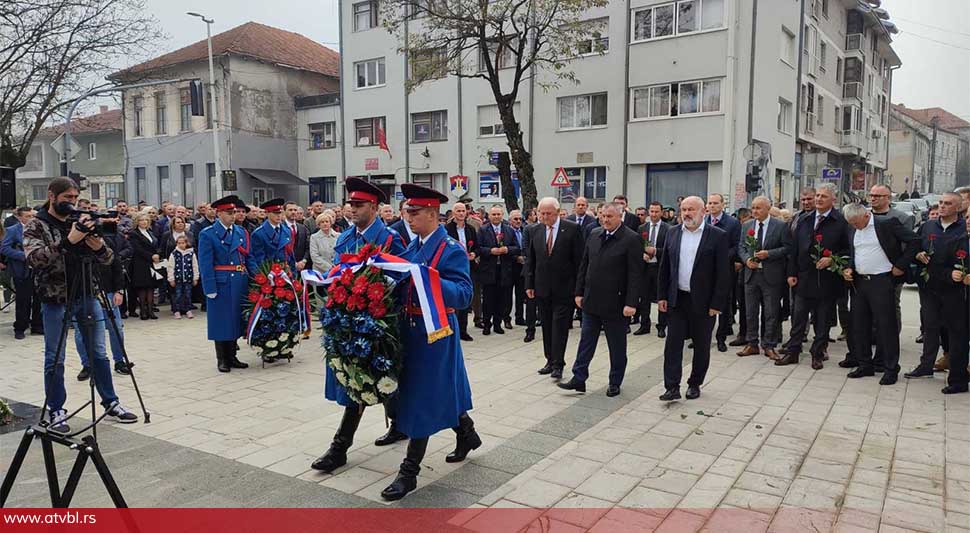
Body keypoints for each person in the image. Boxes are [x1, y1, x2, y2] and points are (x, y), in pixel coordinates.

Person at [380, 183, 480, 501]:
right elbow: (401, 278)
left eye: (414, 212)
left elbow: (464, 294)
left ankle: (409, 473)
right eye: (407, 211)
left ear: (433, 214)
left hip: (436, 333)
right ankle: (467, 433)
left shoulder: (450, 248)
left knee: (423, 398)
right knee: (435, 392)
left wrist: (431, 279)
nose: (408, 217)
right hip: (410, 329)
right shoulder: (415, 244)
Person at [23, 177, 138, 432]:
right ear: (52, 196)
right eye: (67, 198)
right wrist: (68, 241)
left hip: (87, 294)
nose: (72, 203)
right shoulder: (36, 224)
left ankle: (111, 402)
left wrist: (98, 247)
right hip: (55, 298)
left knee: (98, 352)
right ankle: (56, 409)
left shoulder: (80, 221)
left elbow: (109, 259)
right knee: (55, 356)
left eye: (75, 198)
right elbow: (34, 259)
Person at [311, 178, 407, 475]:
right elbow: (340, 274)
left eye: (358, 205)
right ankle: (400, 425)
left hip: (379, 323)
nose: (351, 209)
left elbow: (403, 279)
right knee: (361, 381)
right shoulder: (344, 239)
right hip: (349, 321)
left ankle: (339, 448)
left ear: (375, 207)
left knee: (367, 381)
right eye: (350, 204)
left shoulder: (390, 239)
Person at [558, 202, 642, 397]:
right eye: (603, 216)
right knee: (586, 342)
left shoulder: (631, 239)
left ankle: (615, 381)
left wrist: (631, 303)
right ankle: (578, 378)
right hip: (591, 301)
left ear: (620, 216)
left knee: (617, 346)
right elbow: (584, 265)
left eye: (610, 216)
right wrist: (579, 292)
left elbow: (636, 274)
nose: (605, 220)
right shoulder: (594, 234)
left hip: (616, 304)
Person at [657, 196, 731, 401]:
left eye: (691, 209)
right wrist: (662, 295)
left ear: (703, 212)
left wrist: (717, 304)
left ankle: (694, 383)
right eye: (684, 209)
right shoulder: (672, 233)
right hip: (677, 298)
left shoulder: (717, 236)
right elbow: (664, 268)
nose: (687, 213)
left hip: (704, 301)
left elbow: (723, 274)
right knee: (672, 344)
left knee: (701, 344)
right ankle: (671, 386)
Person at [841, 203, 919, 385]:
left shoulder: (886, 224)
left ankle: (890, 368)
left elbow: (915, 240)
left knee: (886, 326)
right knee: (859, 325)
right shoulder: (853, 229)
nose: (854, 226)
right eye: (850, 223)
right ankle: (864, 364)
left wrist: (901, 265)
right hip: (860, 282)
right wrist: (848, 268)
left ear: (866, 216)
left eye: (856, 222)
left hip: (882, 281)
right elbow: (854, 253)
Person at [779, 183, 850, 369]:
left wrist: (832, 260)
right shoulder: (804, 220)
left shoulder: (841, 222)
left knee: (822, 319)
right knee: (798, 317)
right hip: (803, 277)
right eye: (817, 195)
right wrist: (791, 273)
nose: (818, 199)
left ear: (833, 200)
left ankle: (817, 353)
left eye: (823, 197)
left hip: (827, 280)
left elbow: (848, 250)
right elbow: (794, 249)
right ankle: (793, 351)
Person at [904, 192, 968, 383]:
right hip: (929, 286)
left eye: (947, 203)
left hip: (953, 288)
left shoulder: (963, 229)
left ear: (958, 207)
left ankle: (957, 369)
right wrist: (919, 254)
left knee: (954, 330)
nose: (942, 206)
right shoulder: (928, 226)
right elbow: (914, 246)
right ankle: (926, 365)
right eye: (940, 203)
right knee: (930, 326)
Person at [525, 198, 584, 379]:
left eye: (548, 214)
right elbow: (531, 260)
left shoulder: (572, 229)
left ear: (557, 212)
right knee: (546, 326)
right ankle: (549, 360)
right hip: (542, 288)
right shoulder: (534, 230)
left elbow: (579, 261)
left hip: (565, 289)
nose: (544, 217)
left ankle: (559, 363)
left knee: (559, 326)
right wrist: (529, 284)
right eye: (541, 213)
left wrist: (578, 289)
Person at [197, 195, 251, 373]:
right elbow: (205, 263)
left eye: (234, 212)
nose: (232, 216)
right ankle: (222, 358)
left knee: (235, 319)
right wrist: (209, 287)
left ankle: (232, 355)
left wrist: (254, 279)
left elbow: (247, 258)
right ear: (219, 213)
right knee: (221, 320)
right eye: (229, 212)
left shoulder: (240, 232)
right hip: (221, 281)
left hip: (239, 280)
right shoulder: (208, 234)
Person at [736, 197, 791, 360]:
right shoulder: (747, 225)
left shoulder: (780, 226)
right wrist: (746, 260)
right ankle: (752, 343)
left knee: (771, 312)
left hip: (771, 275)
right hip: (751, 275)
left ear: (768, 208)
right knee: (750, 312)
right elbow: (742, 246)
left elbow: (787, 248)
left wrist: (769, 254)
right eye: (753, 208)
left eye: (758, 208)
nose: (754, 211)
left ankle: (769, 345)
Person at [705, 193, 742, 352]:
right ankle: (702, 336)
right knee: (704, 302)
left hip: (724, 269)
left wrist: (722, 257)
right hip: (705, 270)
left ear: (722, 205)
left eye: (715, 203)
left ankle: (721, 338)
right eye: (710, 203)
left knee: (723, 303)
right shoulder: (704, 221)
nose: (712, 206)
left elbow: (737, 245)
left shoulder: (732, 223)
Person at [476, 205, 521, 335]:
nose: (496, 217)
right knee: (488, 299)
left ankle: (497, 323)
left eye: (498, 214)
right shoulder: (483, 230)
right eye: (494, 214)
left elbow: (516, 247)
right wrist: (490, 251)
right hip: (489, 270)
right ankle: (487, 324)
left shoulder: (509, 230)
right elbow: (478, 248)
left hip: (504, 270)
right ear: (489, 216)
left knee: (502, 299)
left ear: (502, 216)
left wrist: (507, 250)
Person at [2, 206, 43, 339]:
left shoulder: (38, 228)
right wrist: (23, 255)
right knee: (23, 300)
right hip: (22, 270)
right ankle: (20, 327)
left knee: (38, 299)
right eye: (27, 216)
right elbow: (5, 248)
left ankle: (37, 326)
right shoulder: (12, 230)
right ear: (19, 217)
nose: (31, 218)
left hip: (38, 269)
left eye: (32, 216)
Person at [942, 214, 970, 394]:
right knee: (958, 341)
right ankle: (957, 380)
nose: (968, 221)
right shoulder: (956, 241)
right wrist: (951, 275)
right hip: (959, 301)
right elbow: (940, 267)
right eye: (967, 217)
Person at [634, 202, 669, 338]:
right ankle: (644, 325)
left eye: (656, 212)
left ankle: (661, 326)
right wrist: (642, 253)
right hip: (645, 267)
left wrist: (656, 251)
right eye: (652, 211)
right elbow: (637, 245)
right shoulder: (642, 228)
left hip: (660, 267)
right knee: (644, 297)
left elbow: (669, 249)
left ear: (661, 213)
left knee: (661, 296)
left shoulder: (668, 229)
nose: (654, 214)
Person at [446, 202, 478, 342]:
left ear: (466, 212)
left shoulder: (470, 229)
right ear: (453, 213)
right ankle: (452, 328)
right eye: (458, 211)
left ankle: (463, 330)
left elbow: (476, 246)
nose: (460, 213)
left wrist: (474, 254)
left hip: (467, 266)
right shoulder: (447, 229)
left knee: (465, 297)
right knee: (454, 297)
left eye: (463, 211)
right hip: (453, 267)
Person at [128, 211, 160, 320]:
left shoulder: (150, 232)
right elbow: (137, 249)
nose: (144, 222)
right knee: (142, 287)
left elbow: (156, 245)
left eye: (146, 220)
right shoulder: (134, 233)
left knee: (150, 286)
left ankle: (150, 310)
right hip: (140, 263)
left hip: (152, 263)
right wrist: (151, 256)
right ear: (137, 222)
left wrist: (157, 254)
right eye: (141, 220)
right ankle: (143, 311)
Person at [248, 198, 293, 272]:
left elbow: (291, 254)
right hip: (269, 272)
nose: (278, 216)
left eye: (280, 213)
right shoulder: (259, 233)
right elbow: (258, 259)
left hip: (285, 271)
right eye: (275, 213)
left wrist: (293, 273)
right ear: (267, 213)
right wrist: (263, 276)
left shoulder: (286, 230)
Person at [167, 235, 199, 319]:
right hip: (178, 278)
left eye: (183, 243)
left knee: (188, 294)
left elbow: (195, 266)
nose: (181, 245)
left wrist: (195, 277)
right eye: (179, 243)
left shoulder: (191, 253)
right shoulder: (174, 254)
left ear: (186, 243)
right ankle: (177, 310)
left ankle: (188, 309)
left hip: (188, 278)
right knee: (177, 295)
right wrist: (171, 279)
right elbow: (170, 267)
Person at [507, 209, 528, 330]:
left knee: (521, 294)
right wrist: (516, 258)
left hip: (522, 267)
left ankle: (520, 317)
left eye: (520, 219)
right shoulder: (507, 231)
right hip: (511, 266)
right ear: (510, 220)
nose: (518, 221)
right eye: (515, 219)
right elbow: (506, 247)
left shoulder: (525, 230)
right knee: (508, 295)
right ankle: (507, 318)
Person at [284, 201, 311, 272]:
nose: (293, 212)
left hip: (302, 266)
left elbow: (307, 247)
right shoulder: (280, 228)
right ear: (284, 212)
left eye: (295, 210)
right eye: (290, 210)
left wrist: (304, 261)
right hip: (286, 267)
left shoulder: (303, 228)